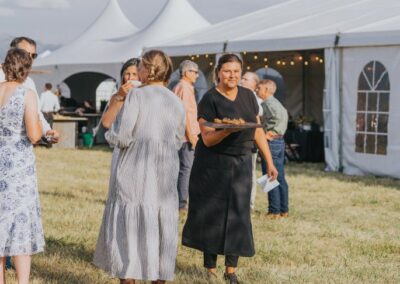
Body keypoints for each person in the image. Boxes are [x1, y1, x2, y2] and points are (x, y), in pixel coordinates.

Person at [182, 54, 278, 284]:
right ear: (218, 73)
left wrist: (270, 162)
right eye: (227, 71)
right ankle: (210, 268)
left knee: (238, 214)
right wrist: (226, 130)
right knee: (212, 213)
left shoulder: (248, 96)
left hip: (242, 162)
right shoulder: (210, 98)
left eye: (236, 71)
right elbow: (207, 139)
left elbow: (256, 129)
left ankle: (231, 270)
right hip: (213, 164)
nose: (232, 75)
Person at [93, 50, 185, 284]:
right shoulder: (175, 99)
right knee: (160, 225)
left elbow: (124, 136)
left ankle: (130, 275)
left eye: (141, 67)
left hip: (136, 168)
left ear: (148, 69)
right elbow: (177, 138)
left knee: (130, 229)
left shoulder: (137, 96)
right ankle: (159, 276)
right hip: (164, 169)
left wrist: (110, 135)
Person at [0, 48, 45, 284]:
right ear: (26, 70)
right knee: (20, 225)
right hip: (18, 168)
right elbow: (34, 135)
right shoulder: (27, 94)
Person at [0, 36, 59, 144]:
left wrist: (47, 131)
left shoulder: (29, 82)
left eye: (34, 55)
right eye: (26, 54)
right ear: (13, 52)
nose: (30, 58)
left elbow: (37, 113)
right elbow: (34, 136)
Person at [256, 79, 289, 219]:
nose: (256, 90)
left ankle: (273, 210)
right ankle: (283, 209)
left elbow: (278, 117)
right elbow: (284, 115)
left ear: (266, 90)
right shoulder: (276, 103)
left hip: (271, 142)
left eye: (259, 88)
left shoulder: (268, 104)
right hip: (279, 141)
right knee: (279, 175)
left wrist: (270, 132)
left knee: (269, 175)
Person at [173, 60, 200, 212]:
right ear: (186, 72)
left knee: (182, 169)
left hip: (182, 136)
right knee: (186, 169)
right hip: (186, 137)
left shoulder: (182, 87)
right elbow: (185, 115)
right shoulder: (184, 87)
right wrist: (192, 137)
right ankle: (182, 203)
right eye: (195, 72)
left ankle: (180, 201)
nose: (197, 75)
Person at [241, 71, 263, 210]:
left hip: (251, 142)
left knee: (249, 173)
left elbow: (258, 114)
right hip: (239, 142)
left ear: (254, 84)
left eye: (245, 79)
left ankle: (250, 203)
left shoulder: (257, 100)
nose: (242, 80)